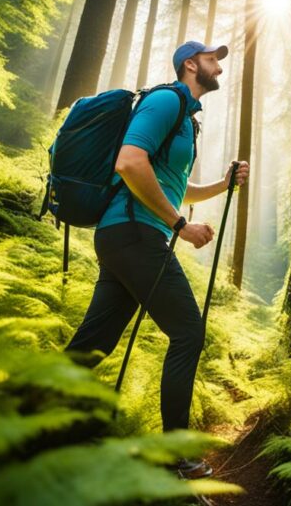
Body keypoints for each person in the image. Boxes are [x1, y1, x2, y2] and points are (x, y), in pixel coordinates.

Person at [64, 41, 249, 479]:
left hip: (127, 237)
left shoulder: (186, 118)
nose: (218, 66)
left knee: (93, 345)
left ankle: (23, 424)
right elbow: (130, 162)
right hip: (134, 235)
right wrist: (180, 226)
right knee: (187, 331)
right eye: (211, 59)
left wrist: (222, 185)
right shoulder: (167, 100)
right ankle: (174, 456)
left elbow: (171, 187)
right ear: (190, 65)